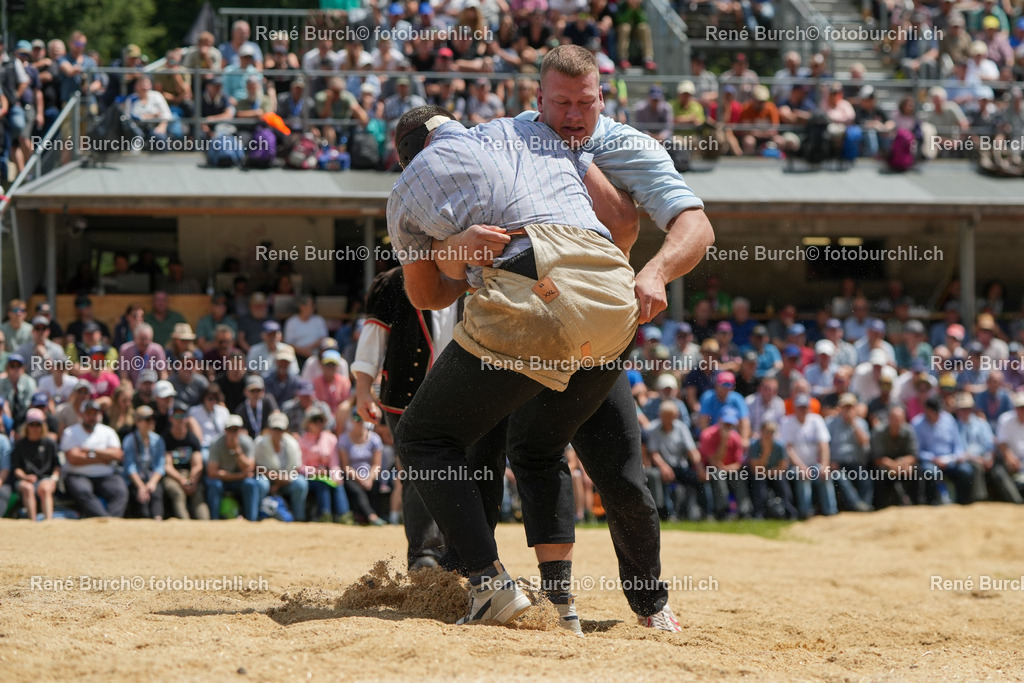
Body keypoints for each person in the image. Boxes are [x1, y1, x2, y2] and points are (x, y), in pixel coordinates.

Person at [60, 400, 128, 518]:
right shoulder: (70, 432)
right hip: (78, 475)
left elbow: (117, 455)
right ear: (82, 415)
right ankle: (104, 519)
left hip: (105, 475)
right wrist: (104, 458)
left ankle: (113, 521)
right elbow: (73, 458)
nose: (92, 417)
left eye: (95, 414)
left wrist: (89, 451)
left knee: (120, 491)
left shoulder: (108, 432)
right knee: (83, 491)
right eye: (89, 414)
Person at [779, 393, 837, 518]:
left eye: (805, 407)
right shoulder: (787, 422)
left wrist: (824, 465)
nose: (803, 410)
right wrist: (802, 467)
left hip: (814, 464)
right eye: (800, 407)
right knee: (803, 476)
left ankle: (831, 512)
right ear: (794, 408)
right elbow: (789, 450)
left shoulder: (816, 420)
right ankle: (806, 513)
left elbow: (824, 445)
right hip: (794, 467)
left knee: (825, 474)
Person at [698, 407, 751, 519]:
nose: (728, 427)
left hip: (728, 469)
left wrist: (726, 469)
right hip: (708, 469)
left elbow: (738, 464)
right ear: (719, 421)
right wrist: (723, 441)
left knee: (740, 476)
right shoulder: (707, 435)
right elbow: (714, 462)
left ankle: (744, 511)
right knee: (718, 474)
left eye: (730, 424)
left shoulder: (736, 438)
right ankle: (723, 510)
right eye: (726, 423)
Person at [299, 407, 350, 523]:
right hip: (309, 477)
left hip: (327, 475)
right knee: (322, 484)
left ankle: (344, 515)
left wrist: (335, 476)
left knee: (338, 483)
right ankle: (324, 515)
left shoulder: (330, 438)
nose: (318, 424)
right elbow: (300, 467)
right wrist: (315, 471)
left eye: (321, 421)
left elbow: (334, 463)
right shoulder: (302, 441)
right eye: (315, 420)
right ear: (308, 423)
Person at [254, 411, 308, 521]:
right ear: (269, 428)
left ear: (285, 430)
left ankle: (299, 518)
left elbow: (296, 467)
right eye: (275, 429)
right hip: (268, 479)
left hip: (286, 480)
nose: (277, 432)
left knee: (301, 483)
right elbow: (258, 467)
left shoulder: (292, 443)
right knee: (261, 483)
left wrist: (279, 483)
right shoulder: (260, 443)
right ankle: (257, 517)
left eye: (280, 429)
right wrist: (277, 479)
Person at [206, 414, 262, 521]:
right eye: (229, 429)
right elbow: (212, 472)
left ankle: (252, 520)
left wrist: (237, 451)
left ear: (240, 430)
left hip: (238, 481)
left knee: (250, 484)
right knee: (214, 485)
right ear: (225, 430)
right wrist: (239, 475)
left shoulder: (247, 442)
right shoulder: (216, 443)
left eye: (235, 430)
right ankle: (214, 520)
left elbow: (250, 467)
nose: (232, 433)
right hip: (223, 480)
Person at [826, 393, 874, 512]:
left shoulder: (861, 423)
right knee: (840, 478)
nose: (847, 410)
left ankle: (865, 506)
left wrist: (853, 423)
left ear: (855, 408)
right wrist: (830, 462)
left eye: (850, 407)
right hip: (837, 464)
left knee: (866, 480)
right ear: (840, 408)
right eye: (845, 407)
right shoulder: (830, 423)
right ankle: (857, 505)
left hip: (855, 463)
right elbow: (825, 445)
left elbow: (864, 442)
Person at [162, 401, 209, 520]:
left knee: (198, 494)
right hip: (173, 476)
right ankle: (185, 524)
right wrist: (182, 480)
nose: (179, 419)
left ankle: (206, 525)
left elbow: (197, 465)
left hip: (189, 475)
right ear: (171, 418)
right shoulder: (165, 439)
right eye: (176, 416)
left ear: (187, 418)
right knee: (178, 493)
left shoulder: (192, 439)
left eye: (182, 416)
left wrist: (192, 480)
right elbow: (167, 466)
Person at [338, 411, 387, 526]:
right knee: (357, 490)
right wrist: (360, 479)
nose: (358, 421)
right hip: (352, 475)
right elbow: (346, 466)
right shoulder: (344, 439)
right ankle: (371, 516)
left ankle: (370, 516)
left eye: (361, 418)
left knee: (375, 487)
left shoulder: (374, 439)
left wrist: (369, 479)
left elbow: (376, 465)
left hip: (370, 475)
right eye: (355, 418)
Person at [11, 409, 60, 521]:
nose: (35, 428)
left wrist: (53, 480)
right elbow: (16, 468)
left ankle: (48, 522)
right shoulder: (20, 445)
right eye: (31, 424)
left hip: (45, 479)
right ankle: (32, 522)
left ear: (43, 426)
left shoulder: (50, 443)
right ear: (26, 426)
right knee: (27, 488)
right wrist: (25, 477)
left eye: (38, 424)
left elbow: (57, 466)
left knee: (45, 488)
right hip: (25, 479)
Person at [123, 405, 166, 520]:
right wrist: (141, 486)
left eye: (152, 419)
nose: (151, 422)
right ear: (137, 422)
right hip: (136, 481)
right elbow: (130, 468)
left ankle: (158, 522)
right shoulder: (129, 441)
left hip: (151, 479)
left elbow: (160, 466)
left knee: (156, 494)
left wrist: (152, 483)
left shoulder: (158, 440)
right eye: (147, 419)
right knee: (142, 503)